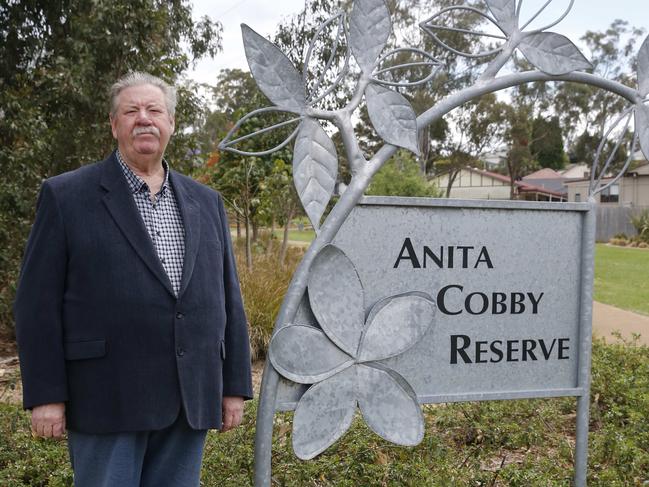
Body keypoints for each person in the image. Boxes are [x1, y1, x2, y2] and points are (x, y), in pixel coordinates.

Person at [14, 71, 253, 486]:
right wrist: (47, 395)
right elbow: (36, 305)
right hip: (107, 398)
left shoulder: (206, 201)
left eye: (154, 110)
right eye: (131, 111)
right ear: (113, 125)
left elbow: (228, 298)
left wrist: (233, 385)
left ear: (172, 124)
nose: (144, 119)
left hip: (188, 398)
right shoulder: (66, 196)